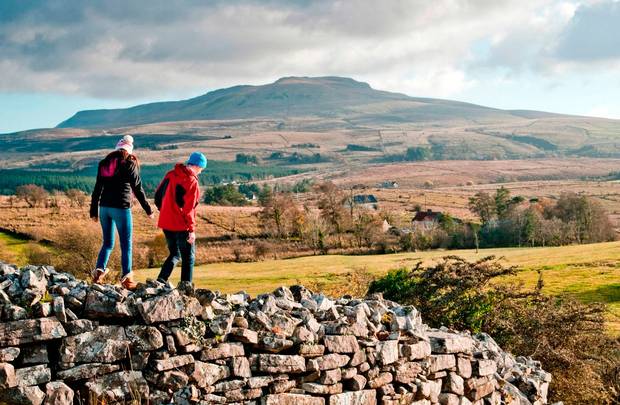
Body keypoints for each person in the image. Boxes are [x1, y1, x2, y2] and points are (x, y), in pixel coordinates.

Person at [90, 135, 154, 289]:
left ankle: (98, 274)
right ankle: (126, 280)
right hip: (121, 208)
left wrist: (94, 211)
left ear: (117, 148)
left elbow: (97, 189)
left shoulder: (104, 163)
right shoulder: (129, 163)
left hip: (104, 208)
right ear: (129, 150)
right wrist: (148, 209)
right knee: (126, 245)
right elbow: (138, 189)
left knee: (107, 243)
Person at [154, 151, 206, 284]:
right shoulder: (191, 181)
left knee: (175, 254)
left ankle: (160, 281)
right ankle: (185, 289)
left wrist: (165, 211)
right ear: (197, 166)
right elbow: (189, 209)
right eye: (201, 169)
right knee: (188, 258)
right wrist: (191, 230)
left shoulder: (170, 174)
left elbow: (158, 195)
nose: (200, 172)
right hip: (182, 225)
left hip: (166, 222)